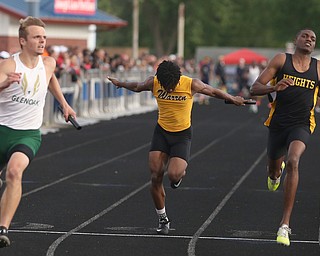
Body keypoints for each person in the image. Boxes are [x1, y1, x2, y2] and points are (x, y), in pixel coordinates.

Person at [108, 60, 247, 235]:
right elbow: (137, 86)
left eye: (172, 86)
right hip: (161, 133)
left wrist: (233, 98)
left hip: (181, 135)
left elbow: (212, 91)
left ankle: (178, 177)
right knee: (155, 175)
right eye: (167, 87)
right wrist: (120, 83)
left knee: (174, 174)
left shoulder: (191, 84)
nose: (170, 90)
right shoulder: (154, 82)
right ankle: (162, 218)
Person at [0, 16, 76, 248]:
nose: (42, 41)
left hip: (28, 134)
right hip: (2, 129)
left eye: (44, 37)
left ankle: (2, 228)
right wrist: (4, 84)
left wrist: (64, 103)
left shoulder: (49, 63)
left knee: (14, 172)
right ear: (23, 41)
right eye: (36, 37)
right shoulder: (9, 65)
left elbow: (49, 78)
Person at [250, 28, 319, 246]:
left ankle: (284, 225)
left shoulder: (318, 68)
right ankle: (274, 175)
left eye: (313, 38)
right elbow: (254, 88)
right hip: (278, 124)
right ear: (296, 40)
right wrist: (274, 87)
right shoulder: (282, 60)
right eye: (305, 36)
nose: (309, 40)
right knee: (274, 168)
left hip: (302, 124)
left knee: (293, 160)